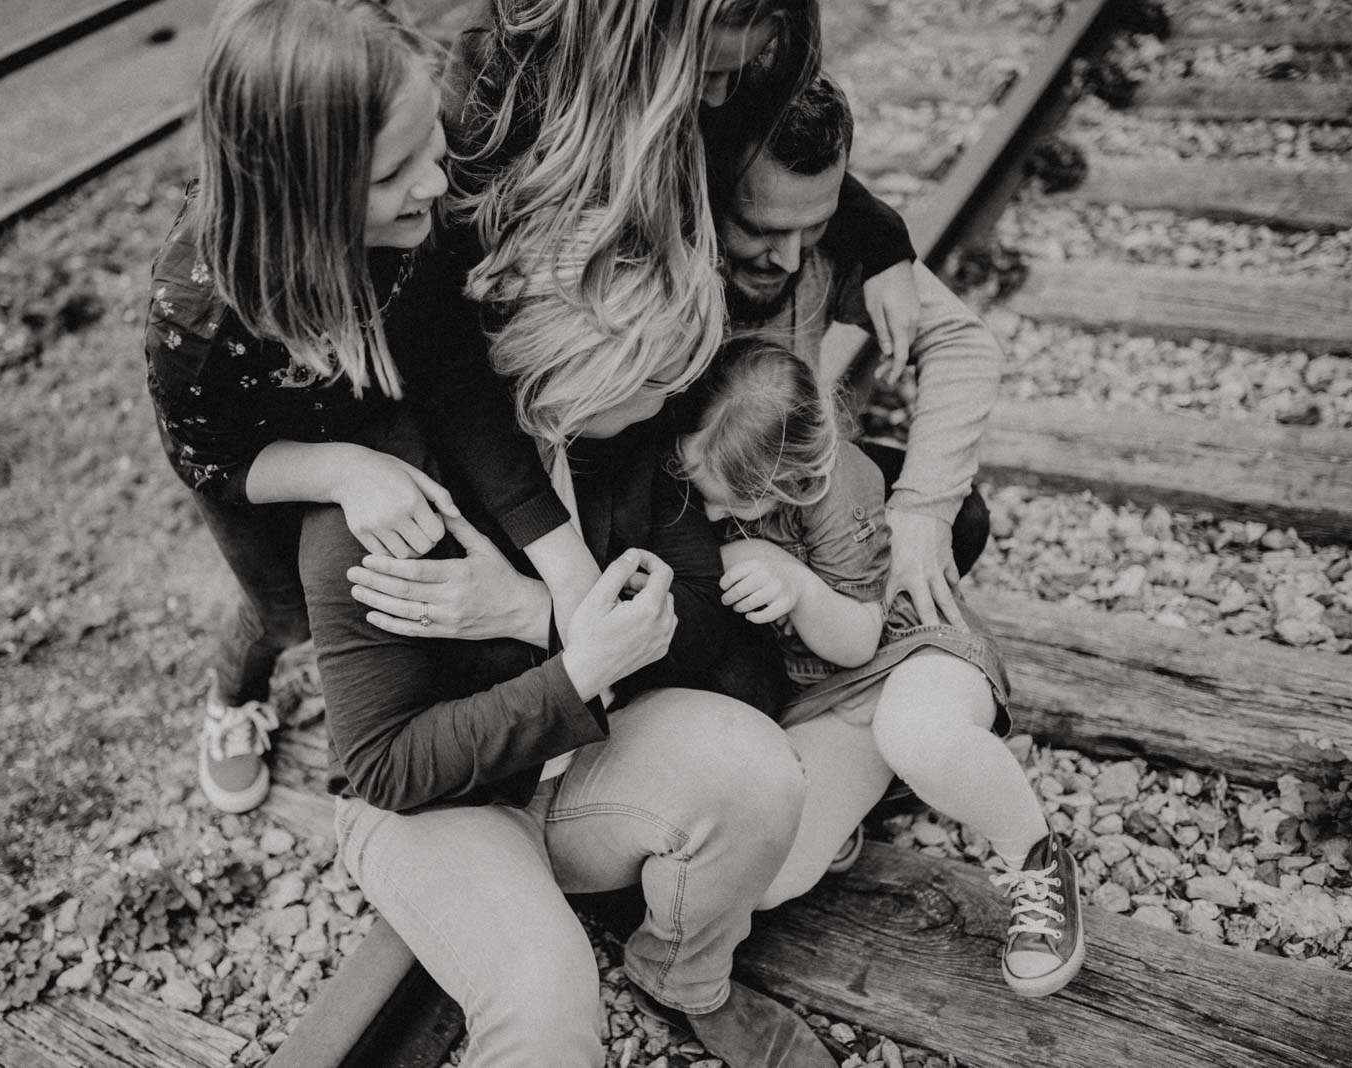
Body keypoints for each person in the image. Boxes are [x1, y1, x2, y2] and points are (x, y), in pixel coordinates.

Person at [320, 244, 839, 1067]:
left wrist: (536, 615)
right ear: (583, 374)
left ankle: (681, 978)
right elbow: (385, 766)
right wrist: (579, 668)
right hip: (446, 808)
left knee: (759, 770)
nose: (676, 396)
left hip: (582, 769)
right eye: (656, 380)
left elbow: (702, 618)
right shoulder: (388, 495)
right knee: (548, 1004)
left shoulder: (622, 445)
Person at [142, 0, 599, 815]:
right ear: (295, 196)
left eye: (432, 141)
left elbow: (458, 380)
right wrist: (344, 470)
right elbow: (207, 459)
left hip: (375, 403)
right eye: (391, 174)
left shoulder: (422, 209)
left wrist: (563, 566)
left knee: (398, 551)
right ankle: (235, 697)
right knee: (285, 613)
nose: (434, 180)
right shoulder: (199, 319)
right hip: (266, 463)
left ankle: (405, 680)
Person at [677, 337, 1085, 998]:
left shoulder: (842, 485)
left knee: (918, 734)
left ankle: (1036, 858)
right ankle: (866, 797)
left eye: (731, 502)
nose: (714, 514)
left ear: (795, 480)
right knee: (762, 876)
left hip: (911, 649)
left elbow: (860, 642)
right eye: (703, 492)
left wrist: (799, 586)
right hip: (827, 699)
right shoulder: (715, 464)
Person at [444, 0, 926, 389]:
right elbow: (458, 296)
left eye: (732, 72)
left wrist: (882, 243)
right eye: (705, 70)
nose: (717, 98)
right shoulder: (502, 77)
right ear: (640, 28)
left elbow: (775, 174)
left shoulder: (696, 67)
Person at [701, 70, 1001, 628]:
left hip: (786, 506)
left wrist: (922, 513)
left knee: (961, 518)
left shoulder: (843, 242)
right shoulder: (664, 256)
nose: (789, 260)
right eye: (760, 228)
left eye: (814, 226)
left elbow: (963, 343)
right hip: (691, 521)